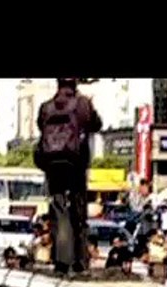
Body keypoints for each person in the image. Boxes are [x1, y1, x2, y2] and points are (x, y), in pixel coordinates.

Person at [34, 78, 103, 274]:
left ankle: (62, 259)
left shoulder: (46, 107)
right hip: (76, 164)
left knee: (58, 208)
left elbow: (41, 127)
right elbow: (97, 124)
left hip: (53, 166)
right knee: (78, 212)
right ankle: (79, 260)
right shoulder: (82, 103)